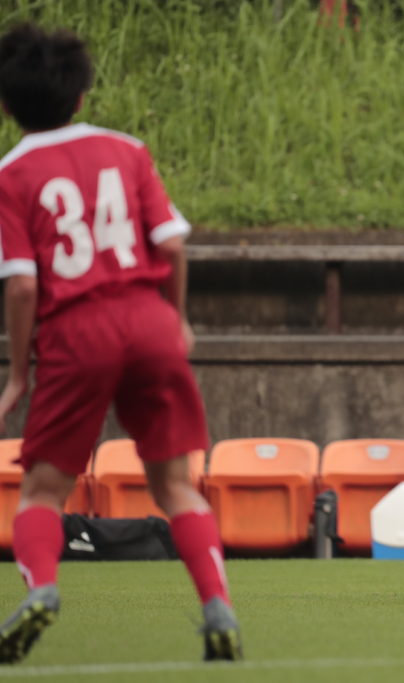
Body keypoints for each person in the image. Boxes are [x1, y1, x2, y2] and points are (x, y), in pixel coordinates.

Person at [0, 23, 240, 662]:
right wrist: (176, 320)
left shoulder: (12, 174)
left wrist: (19, 372)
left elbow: (21, 286)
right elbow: (172, 245)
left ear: (7, 106)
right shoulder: (126, 150)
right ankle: (217, 606)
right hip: (148, 319)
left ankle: (43, 590)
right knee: (175, 486)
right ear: (82, 95)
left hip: (75, 332)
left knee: (42, 492)